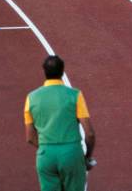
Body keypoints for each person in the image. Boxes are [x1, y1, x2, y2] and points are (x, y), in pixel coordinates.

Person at [24, 55, 96, 191]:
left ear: (44, 72)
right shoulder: (75, 95)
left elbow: (30, 137)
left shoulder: (31, 98)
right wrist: (87, 157)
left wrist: (48, 149)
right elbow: (90, 134)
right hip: (71, 154)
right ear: (62, 72)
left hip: (46, 156)